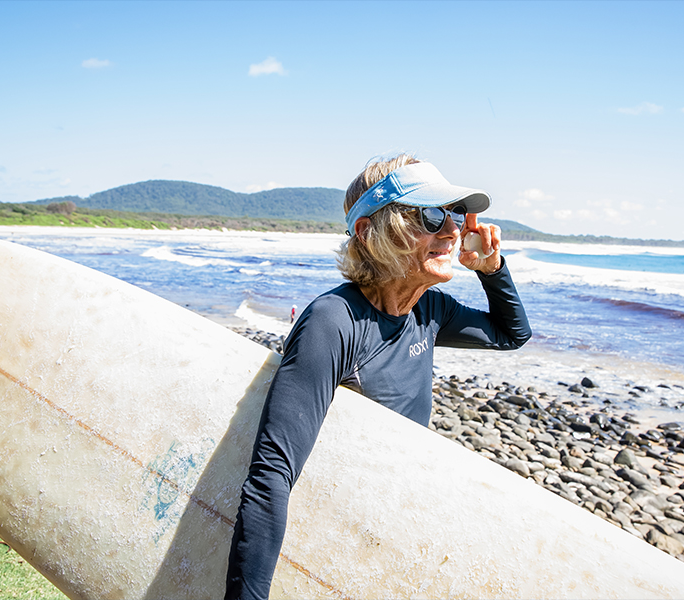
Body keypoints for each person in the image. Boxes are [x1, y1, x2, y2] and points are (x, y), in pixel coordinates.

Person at [225, 154, 532, 600]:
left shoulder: (427, 309)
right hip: (341, 529)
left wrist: (492, 270)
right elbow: (272, 473)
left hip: (399, 517)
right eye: (430, 216)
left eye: (452, 215)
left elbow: (511, 334)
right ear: (370, 233)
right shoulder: (334, 321)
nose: (451, 230)